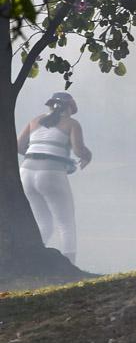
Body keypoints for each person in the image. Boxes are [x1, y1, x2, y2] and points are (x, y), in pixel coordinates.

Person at [17, 92, 92, 264]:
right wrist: (88, 156)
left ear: (50, 105)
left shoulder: (34, 120)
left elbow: (20, 146)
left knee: (43, 223)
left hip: (26, 172)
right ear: (71, 108)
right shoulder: (72, 123)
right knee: (66, 222)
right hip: (52, 174)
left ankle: (31, 261)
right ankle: (70, 265)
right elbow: (79, 150)